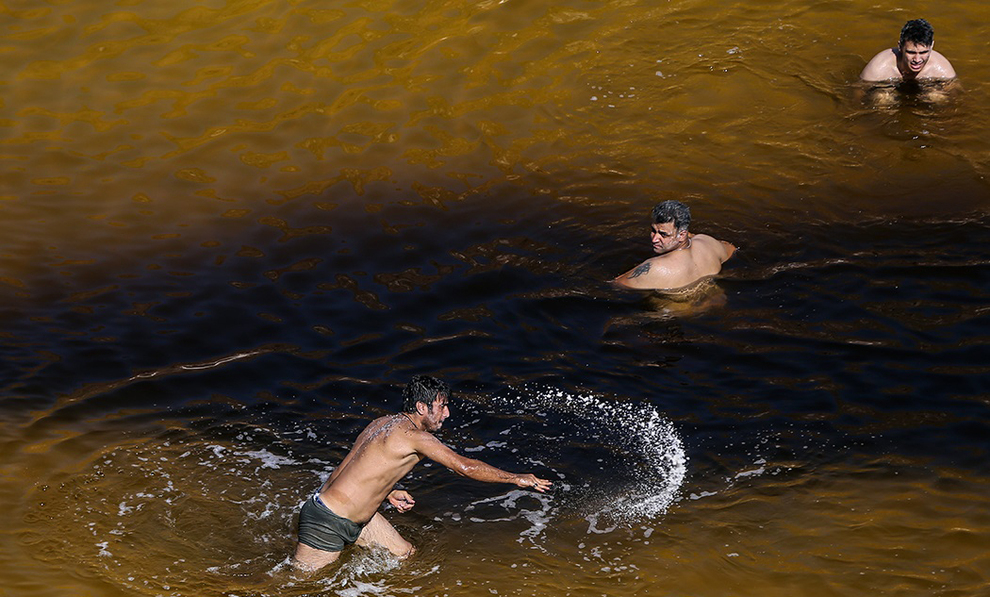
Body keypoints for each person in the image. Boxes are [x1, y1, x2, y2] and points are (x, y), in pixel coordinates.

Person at [291, 375, 552, 571]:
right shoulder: (415, 436)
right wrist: (516, 478)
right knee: (297, 587)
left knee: (405, 556)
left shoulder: (381, 423)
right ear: (421, 407)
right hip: (327, 521)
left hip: (349, 515)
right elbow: (465, 467)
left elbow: (353, 469)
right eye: (442, 406)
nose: (447, 413)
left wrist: (389, 492)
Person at [613, 200, 736, 291]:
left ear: (682, 235)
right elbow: (732, 249)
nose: (655, 239)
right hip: (715, 302)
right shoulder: (709, 242)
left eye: (663, 234)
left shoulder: (656, 267)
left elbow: (616, 284)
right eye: (653, 231)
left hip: (678, 313)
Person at [860, 19, 956, 82]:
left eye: (923, 52)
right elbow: (858, 95)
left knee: (937, 97)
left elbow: (955, 99)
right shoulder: (878, 69)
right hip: (887, 88)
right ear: (900, 47)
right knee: (882, 98)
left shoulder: (943, 71)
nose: (917, 60)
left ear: (931, 47)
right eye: (911, 52)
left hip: (927, 88)